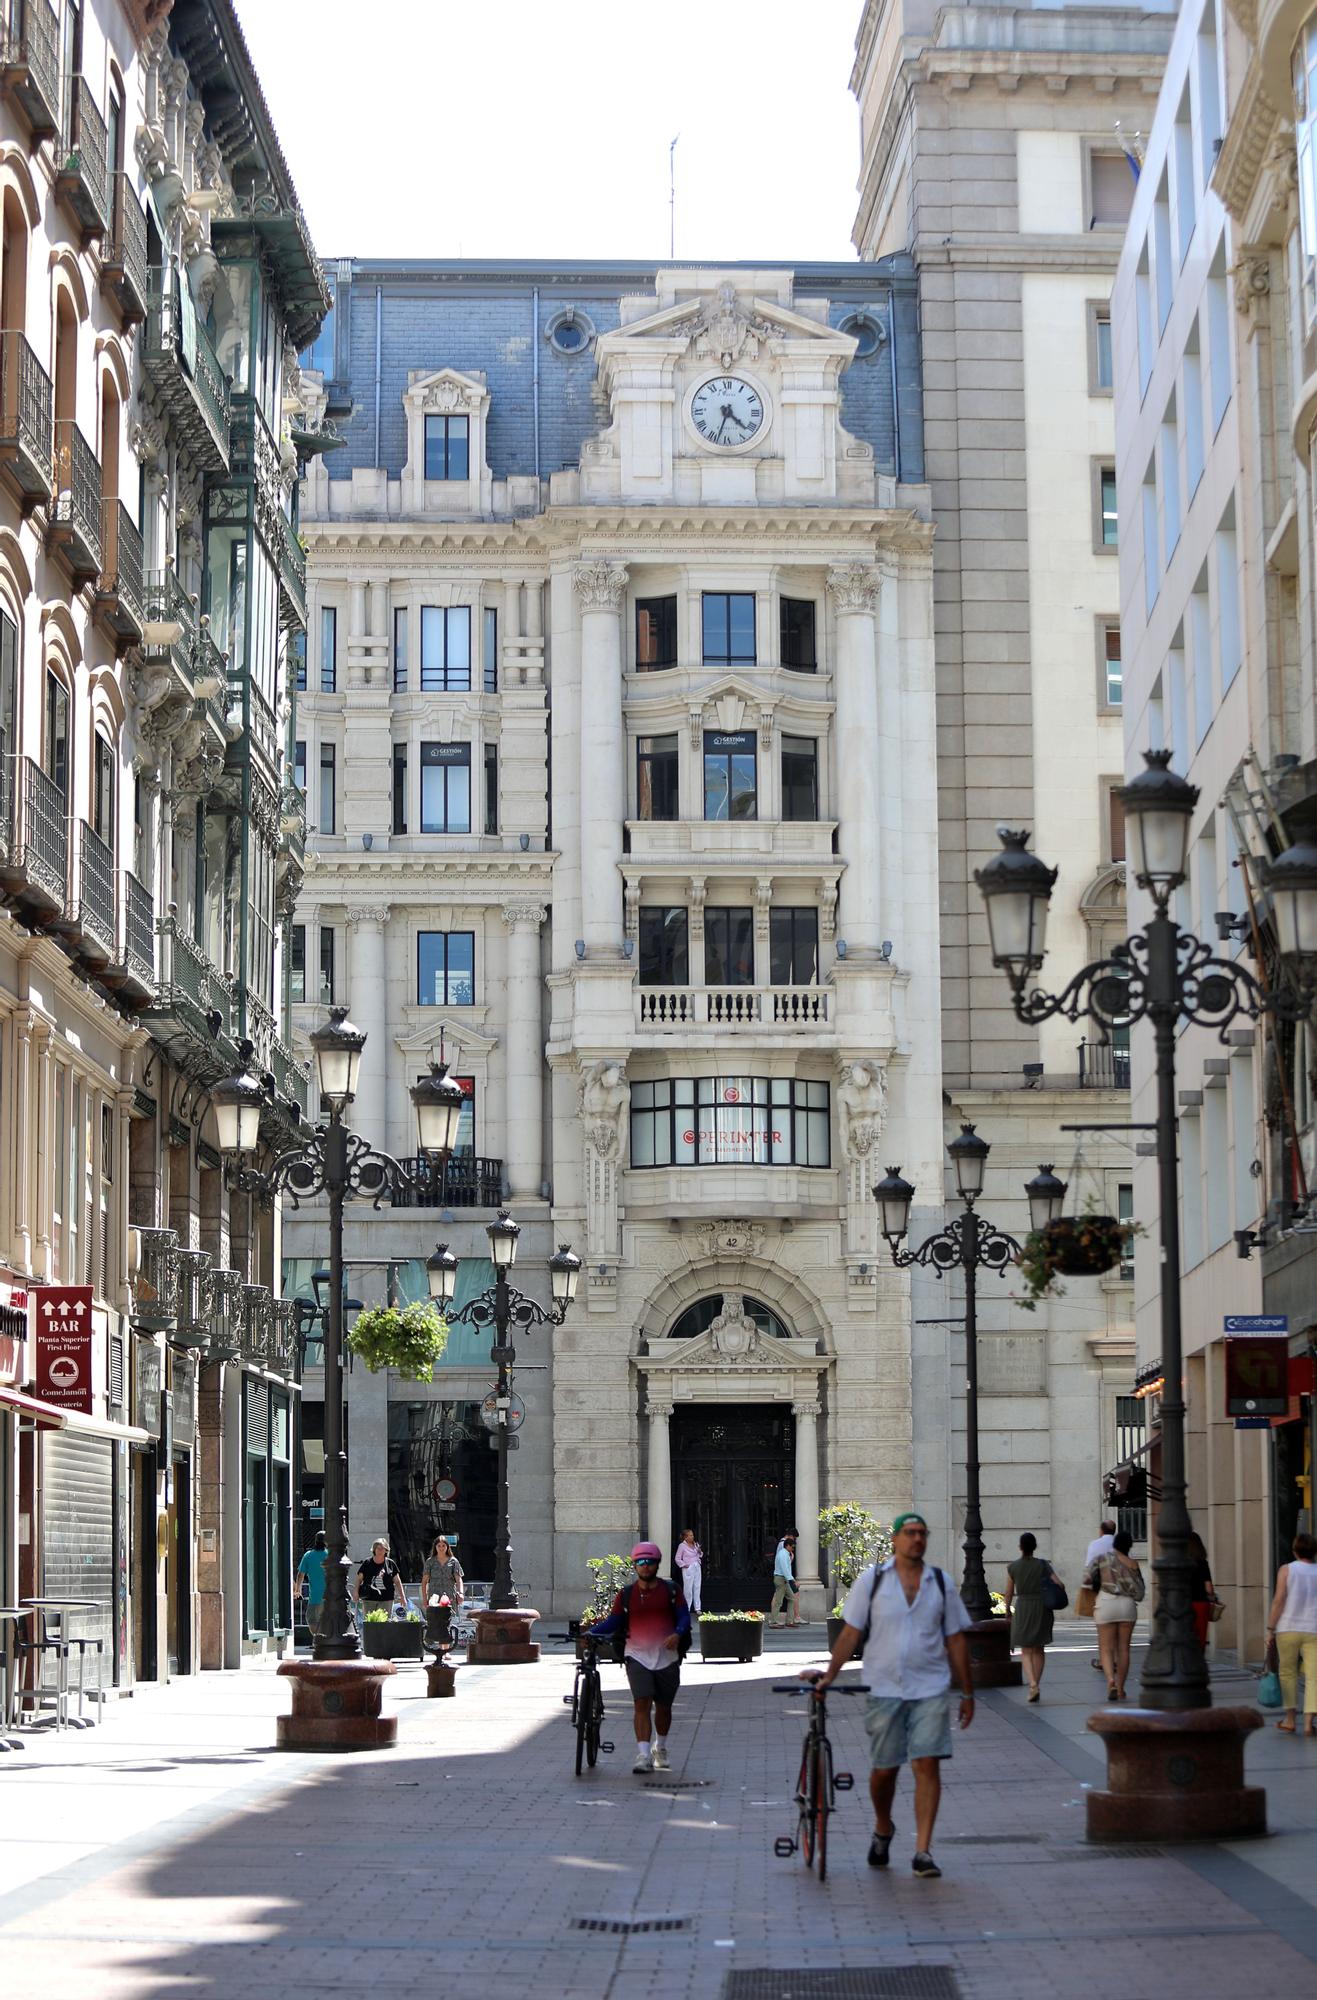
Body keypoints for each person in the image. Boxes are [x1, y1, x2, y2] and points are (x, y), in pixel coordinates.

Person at [809, 1511, 974, 1880]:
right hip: (883, 1687)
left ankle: (923, 1850)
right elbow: (851, 1633)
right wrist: (830, 1677)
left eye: (922, 1533)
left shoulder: (940, 1583)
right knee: (884, 1771)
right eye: (910, 1533)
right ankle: (883, 1827)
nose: (917, 1539)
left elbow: (956, 1639)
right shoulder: (873, 1580)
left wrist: (967, 1690)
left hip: (930, 1687)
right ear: (896, 1539)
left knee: (926, 1763)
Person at [587, 1541, 691, 1773]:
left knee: (664, 1707)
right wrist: (590, 1633)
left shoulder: (671, 1590)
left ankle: (660, 1748)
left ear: (657, 1564)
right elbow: (614, 1621)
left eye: (650, 1562)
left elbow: (684, 1617)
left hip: (667, 1657)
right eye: (641, 1563)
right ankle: (643, 1755)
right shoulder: (626, 1595)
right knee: (641, 1703)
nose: (645, 1566)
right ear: (634, 1566)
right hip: (637, 1656)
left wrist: (678, 1633)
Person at [1082, 1528, 1144, 1700]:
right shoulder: (1133, 1563)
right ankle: (1121, 1687)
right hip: (1127, 1605)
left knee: (1106, 1648)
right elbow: (1141, 1591)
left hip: (1106, 1602)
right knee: (1124, 1648)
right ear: (1130, 1546)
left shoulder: (1101, 1559)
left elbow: (1086, 1579)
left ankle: (1110, 1681)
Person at [1266, 1531, 1317, 1737]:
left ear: (1295, 1550)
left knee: (1288, 1673)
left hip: (1287, 1628)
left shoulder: (1286, 1570)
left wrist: (1270, 1628)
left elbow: (1279, 1600)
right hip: (1314, 1629)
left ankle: (1289, 1720)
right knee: (1314, 1677)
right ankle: (1308, 1724)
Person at [1003, 1532, 1061, 1703]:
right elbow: (1059, 1583)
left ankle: (1033, 1684)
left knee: (1026, 1649)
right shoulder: (1043, 1565)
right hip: (1042, 1606)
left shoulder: (1013, 1567)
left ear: (1020, 1547)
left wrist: (1007, 1609)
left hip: (1023, 1607)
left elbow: (1008, 1592)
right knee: (1039, 1647)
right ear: (1034, 1547)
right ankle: (1037, 1683)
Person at [1085, 1521, 1118, 1671]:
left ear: (1101, 1530)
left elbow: (1089, 1569)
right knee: (1118, 1627)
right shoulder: (1120, 1544)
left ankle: (1104, 1661)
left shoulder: (1095, 1545)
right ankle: (1116, 1659)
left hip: (1102, 1591)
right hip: (1120, 1591)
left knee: (1103, 1628)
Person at [353, 1537, 408, 1615]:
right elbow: (359, 1579)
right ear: (374, 1550)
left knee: (384, 1624)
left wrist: (402, 1597)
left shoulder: (390, 1564)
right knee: (370, 1623)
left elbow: (397, 1581)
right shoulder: (367, 1563)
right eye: (378, 1548)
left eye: (382, 1549)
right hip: (369, 1599)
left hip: (386, 1600)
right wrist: (356, 1592)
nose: (380, 1551)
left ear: (386, 1550)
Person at [1186, 1529, 1218, 1650]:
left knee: (1187, 1635)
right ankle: (1199, 1661)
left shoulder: (1182, 1563)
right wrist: (1213, 1596)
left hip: (1185, 1604)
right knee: (1201, 1636)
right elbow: (1209, 1588)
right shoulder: (1202, 1563)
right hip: (1201, 1603)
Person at [296, 1530, 328, 1639]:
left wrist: (298, 1590)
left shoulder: (308, 1555)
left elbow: (300, 1574)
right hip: (330, 1596)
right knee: (326, 1620)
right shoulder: (330, 1555)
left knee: (311, 1619)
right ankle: (322, 1638)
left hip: (315, 1596)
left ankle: (318, 1638)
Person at [422, 1534, 464, 1612]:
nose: (441, 1548)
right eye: (439, 1546)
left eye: (443, 1545)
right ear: (435, 1547)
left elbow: (459, 1579)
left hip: (450, 1597)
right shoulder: (430, 1562)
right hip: (434, 1597)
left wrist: (460, 1593)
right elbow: (424, 1582)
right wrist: (424, 1599)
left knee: (450, 1620)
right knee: (435, 1620)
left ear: (447, 1547)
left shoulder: (454, 1561)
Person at [770, 1533, 800, 1627]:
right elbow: (785, 1569)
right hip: (781, 1579)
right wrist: (793, 1580)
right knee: (779, 1601)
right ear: (787, 1545)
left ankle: (789, 1621)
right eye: (792, 1546)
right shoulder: (783, 1554)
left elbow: (787, 1569)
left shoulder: (785, 1554)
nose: (793, 1549)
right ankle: (773, 1622)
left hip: (784, 1579)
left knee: (792, 1598)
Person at [674, 1528, 703, 1616]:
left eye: (692, 1535)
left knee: (697, 1587)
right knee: (688, 1589)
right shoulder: (682, 1546)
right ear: (685, 1537)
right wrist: (685, 1565)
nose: (692, 1537)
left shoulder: (696, 1544)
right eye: (690, 1535)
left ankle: (697, 1608)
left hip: (697, 1566)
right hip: (688, 1568)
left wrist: (699, 1551)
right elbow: (677, 1558)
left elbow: (700, 1555)